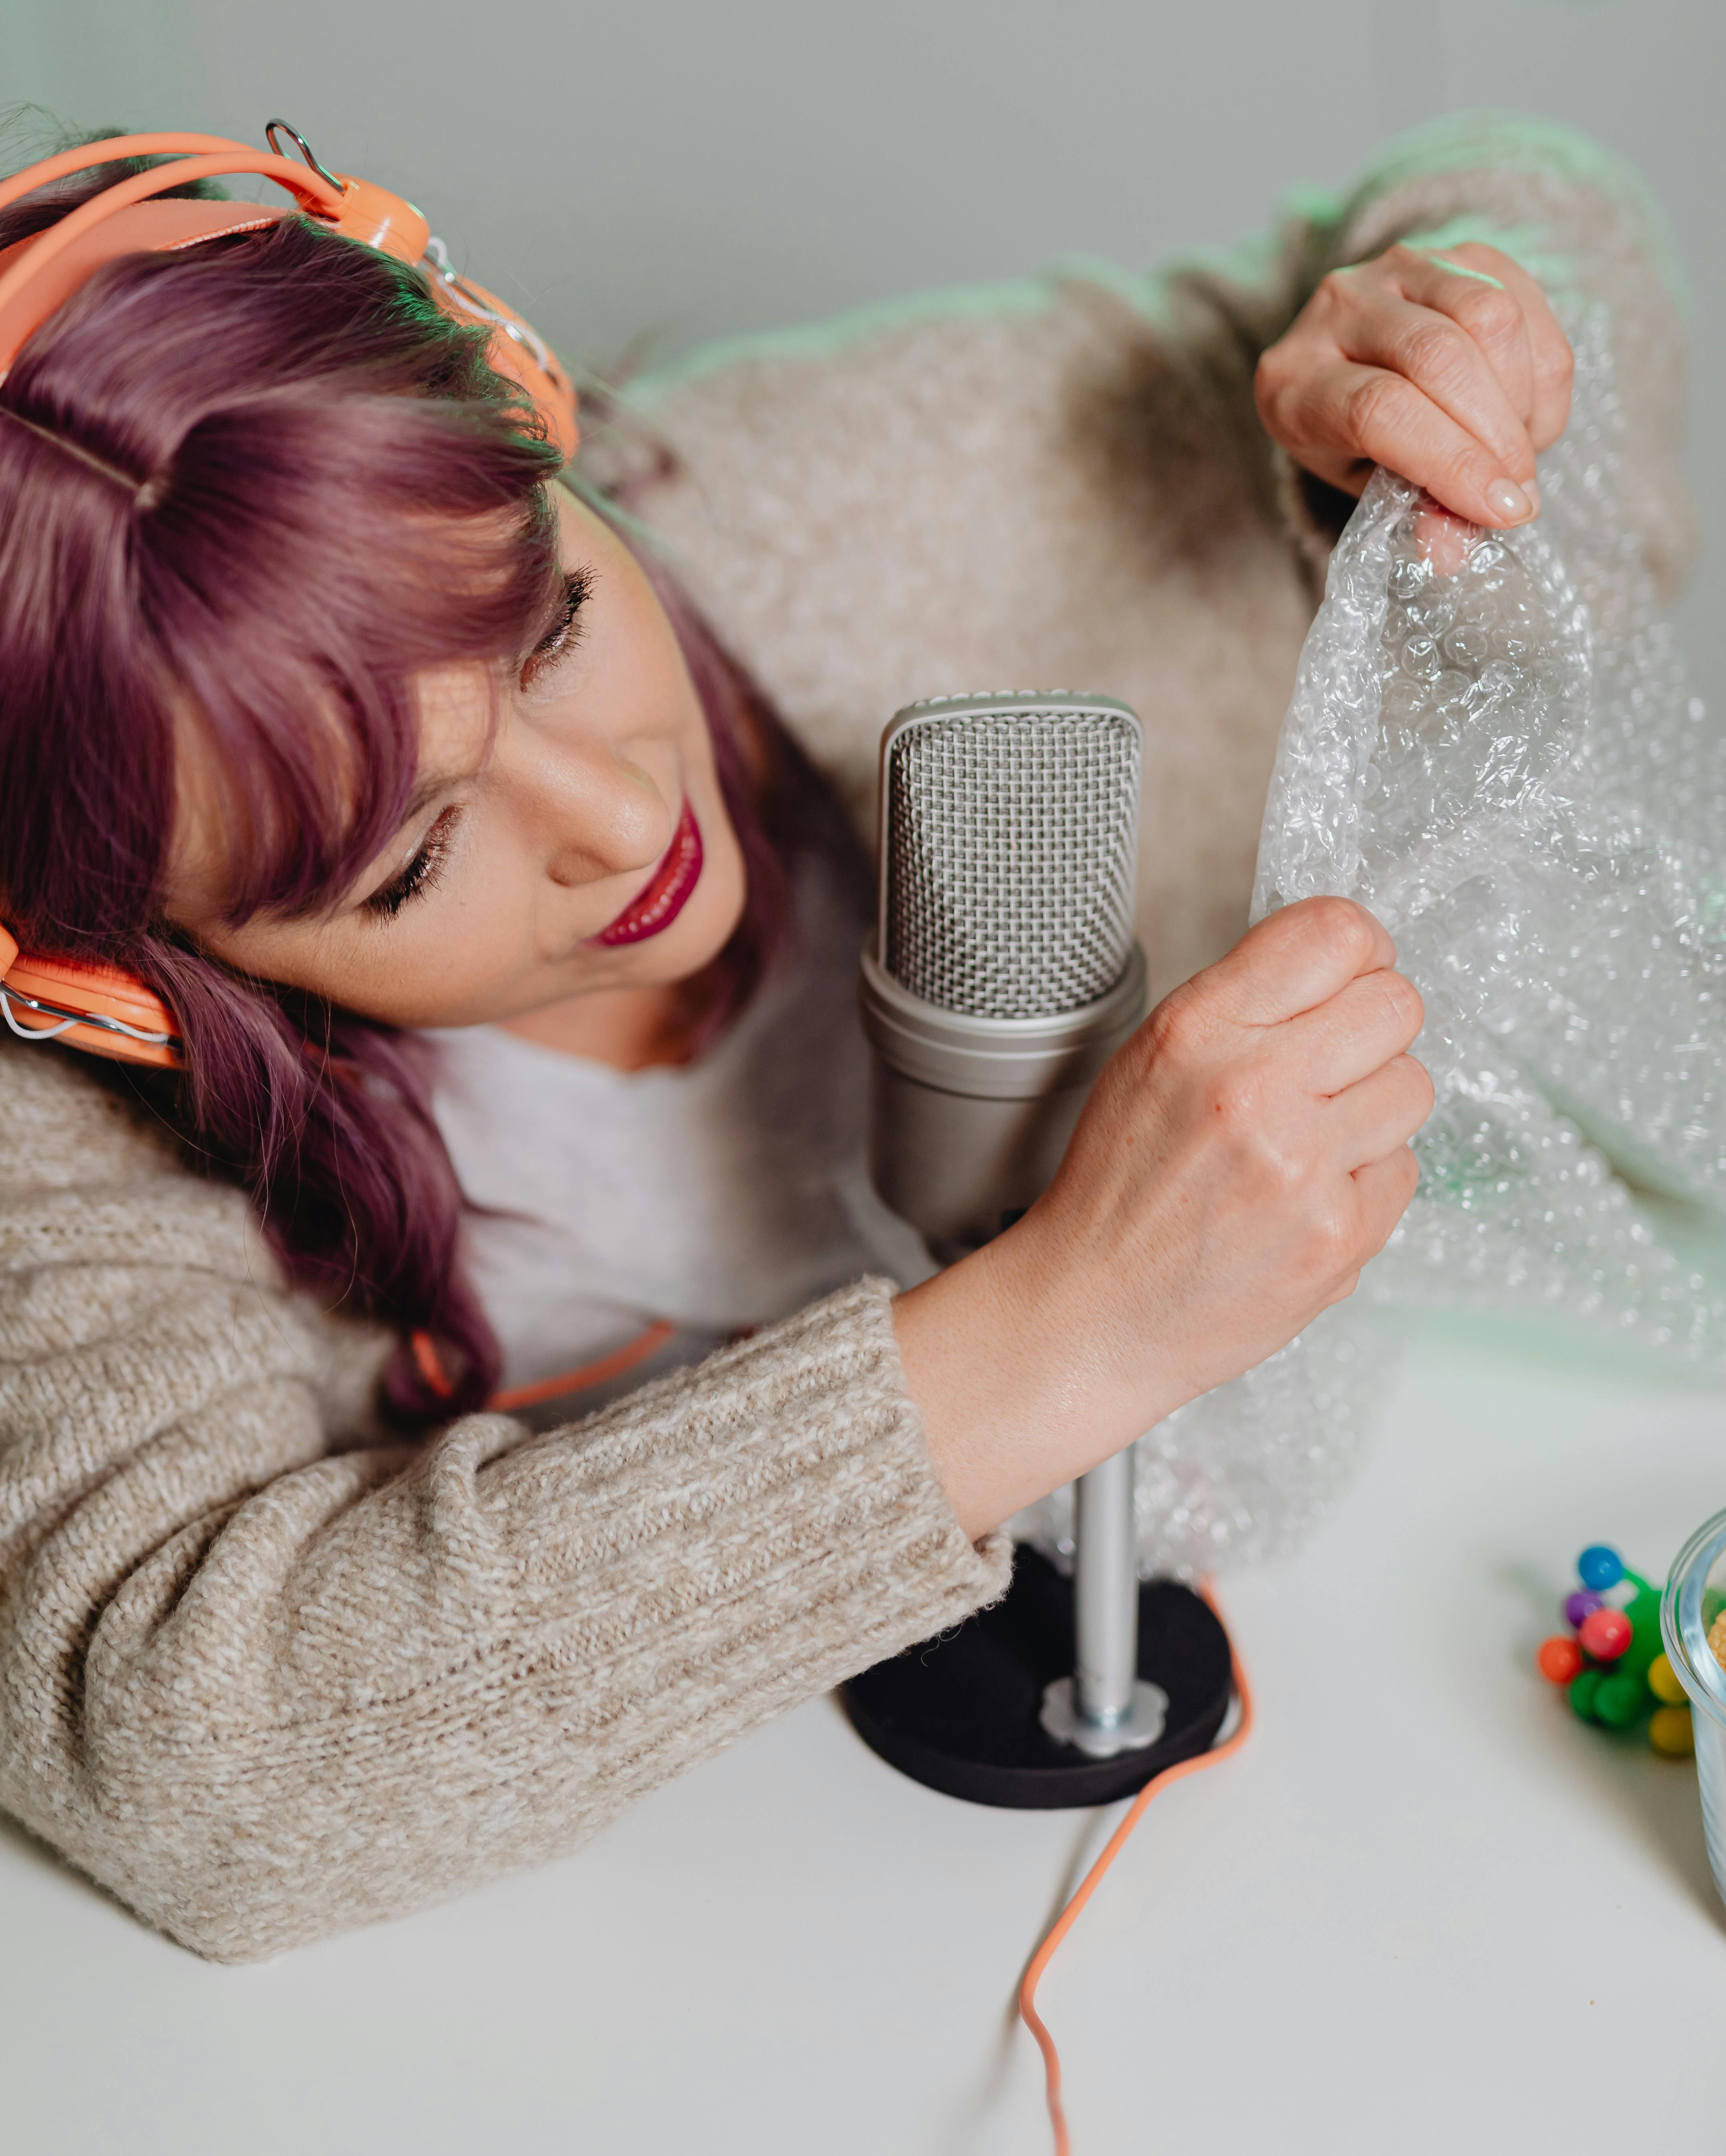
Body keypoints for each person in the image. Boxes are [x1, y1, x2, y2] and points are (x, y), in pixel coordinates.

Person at [0, 114, 1694, 1962]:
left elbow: (1534, 206)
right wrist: (1059, 1329)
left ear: (526, 396)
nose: (618, 815)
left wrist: (1446, 350)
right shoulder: (66, 1114)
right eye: (412, 863)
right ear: (130, 970)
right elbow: (195, 1764)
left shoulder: (844, 492)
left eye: (555, 621)